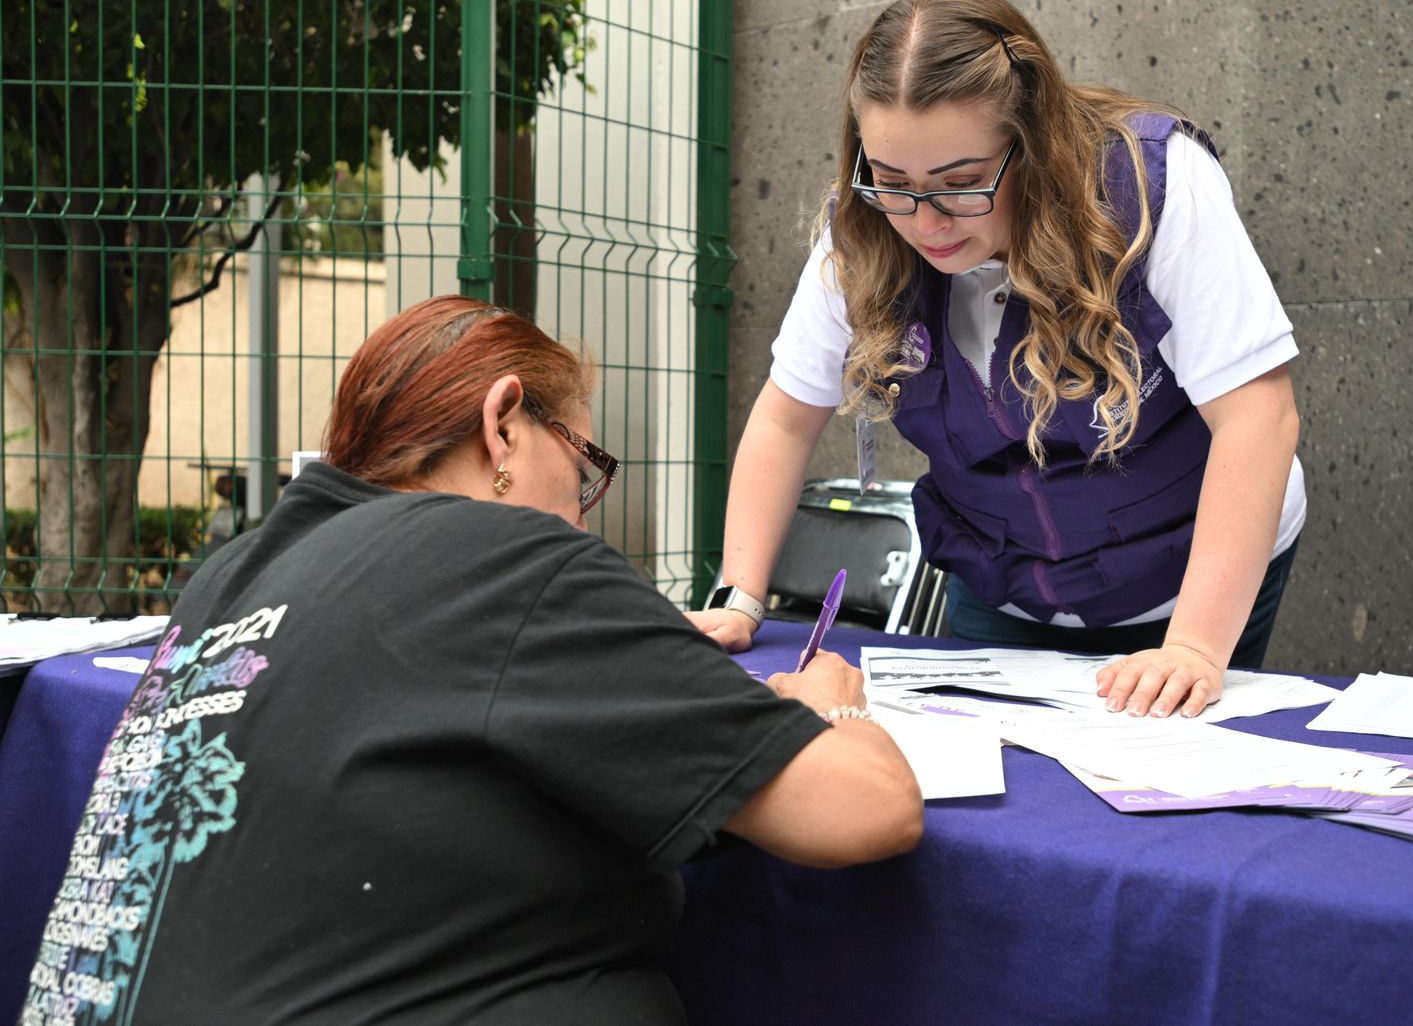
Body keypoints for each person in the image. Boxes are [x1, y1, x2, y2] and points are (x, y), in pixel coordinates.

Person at [19, 295, 920, 1026]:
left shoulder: (231, 576)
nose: (581, 513)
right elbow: (862, 809)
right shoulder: (504, 561)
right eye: (584, 464)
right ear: (502, 425)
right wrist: (831, 704)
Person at [688, 0, 1304, 721]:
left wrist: (1198, 648)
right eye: (893, 182)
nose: (925, 220)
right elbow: (787, 418)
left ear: (1033, 141)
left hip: (1187, 576)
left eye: (961, 184)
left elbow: (1258, 418)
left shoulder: (1151, 182)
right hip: (1002, 583)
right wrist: (740, 596)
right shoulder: (860, 227)